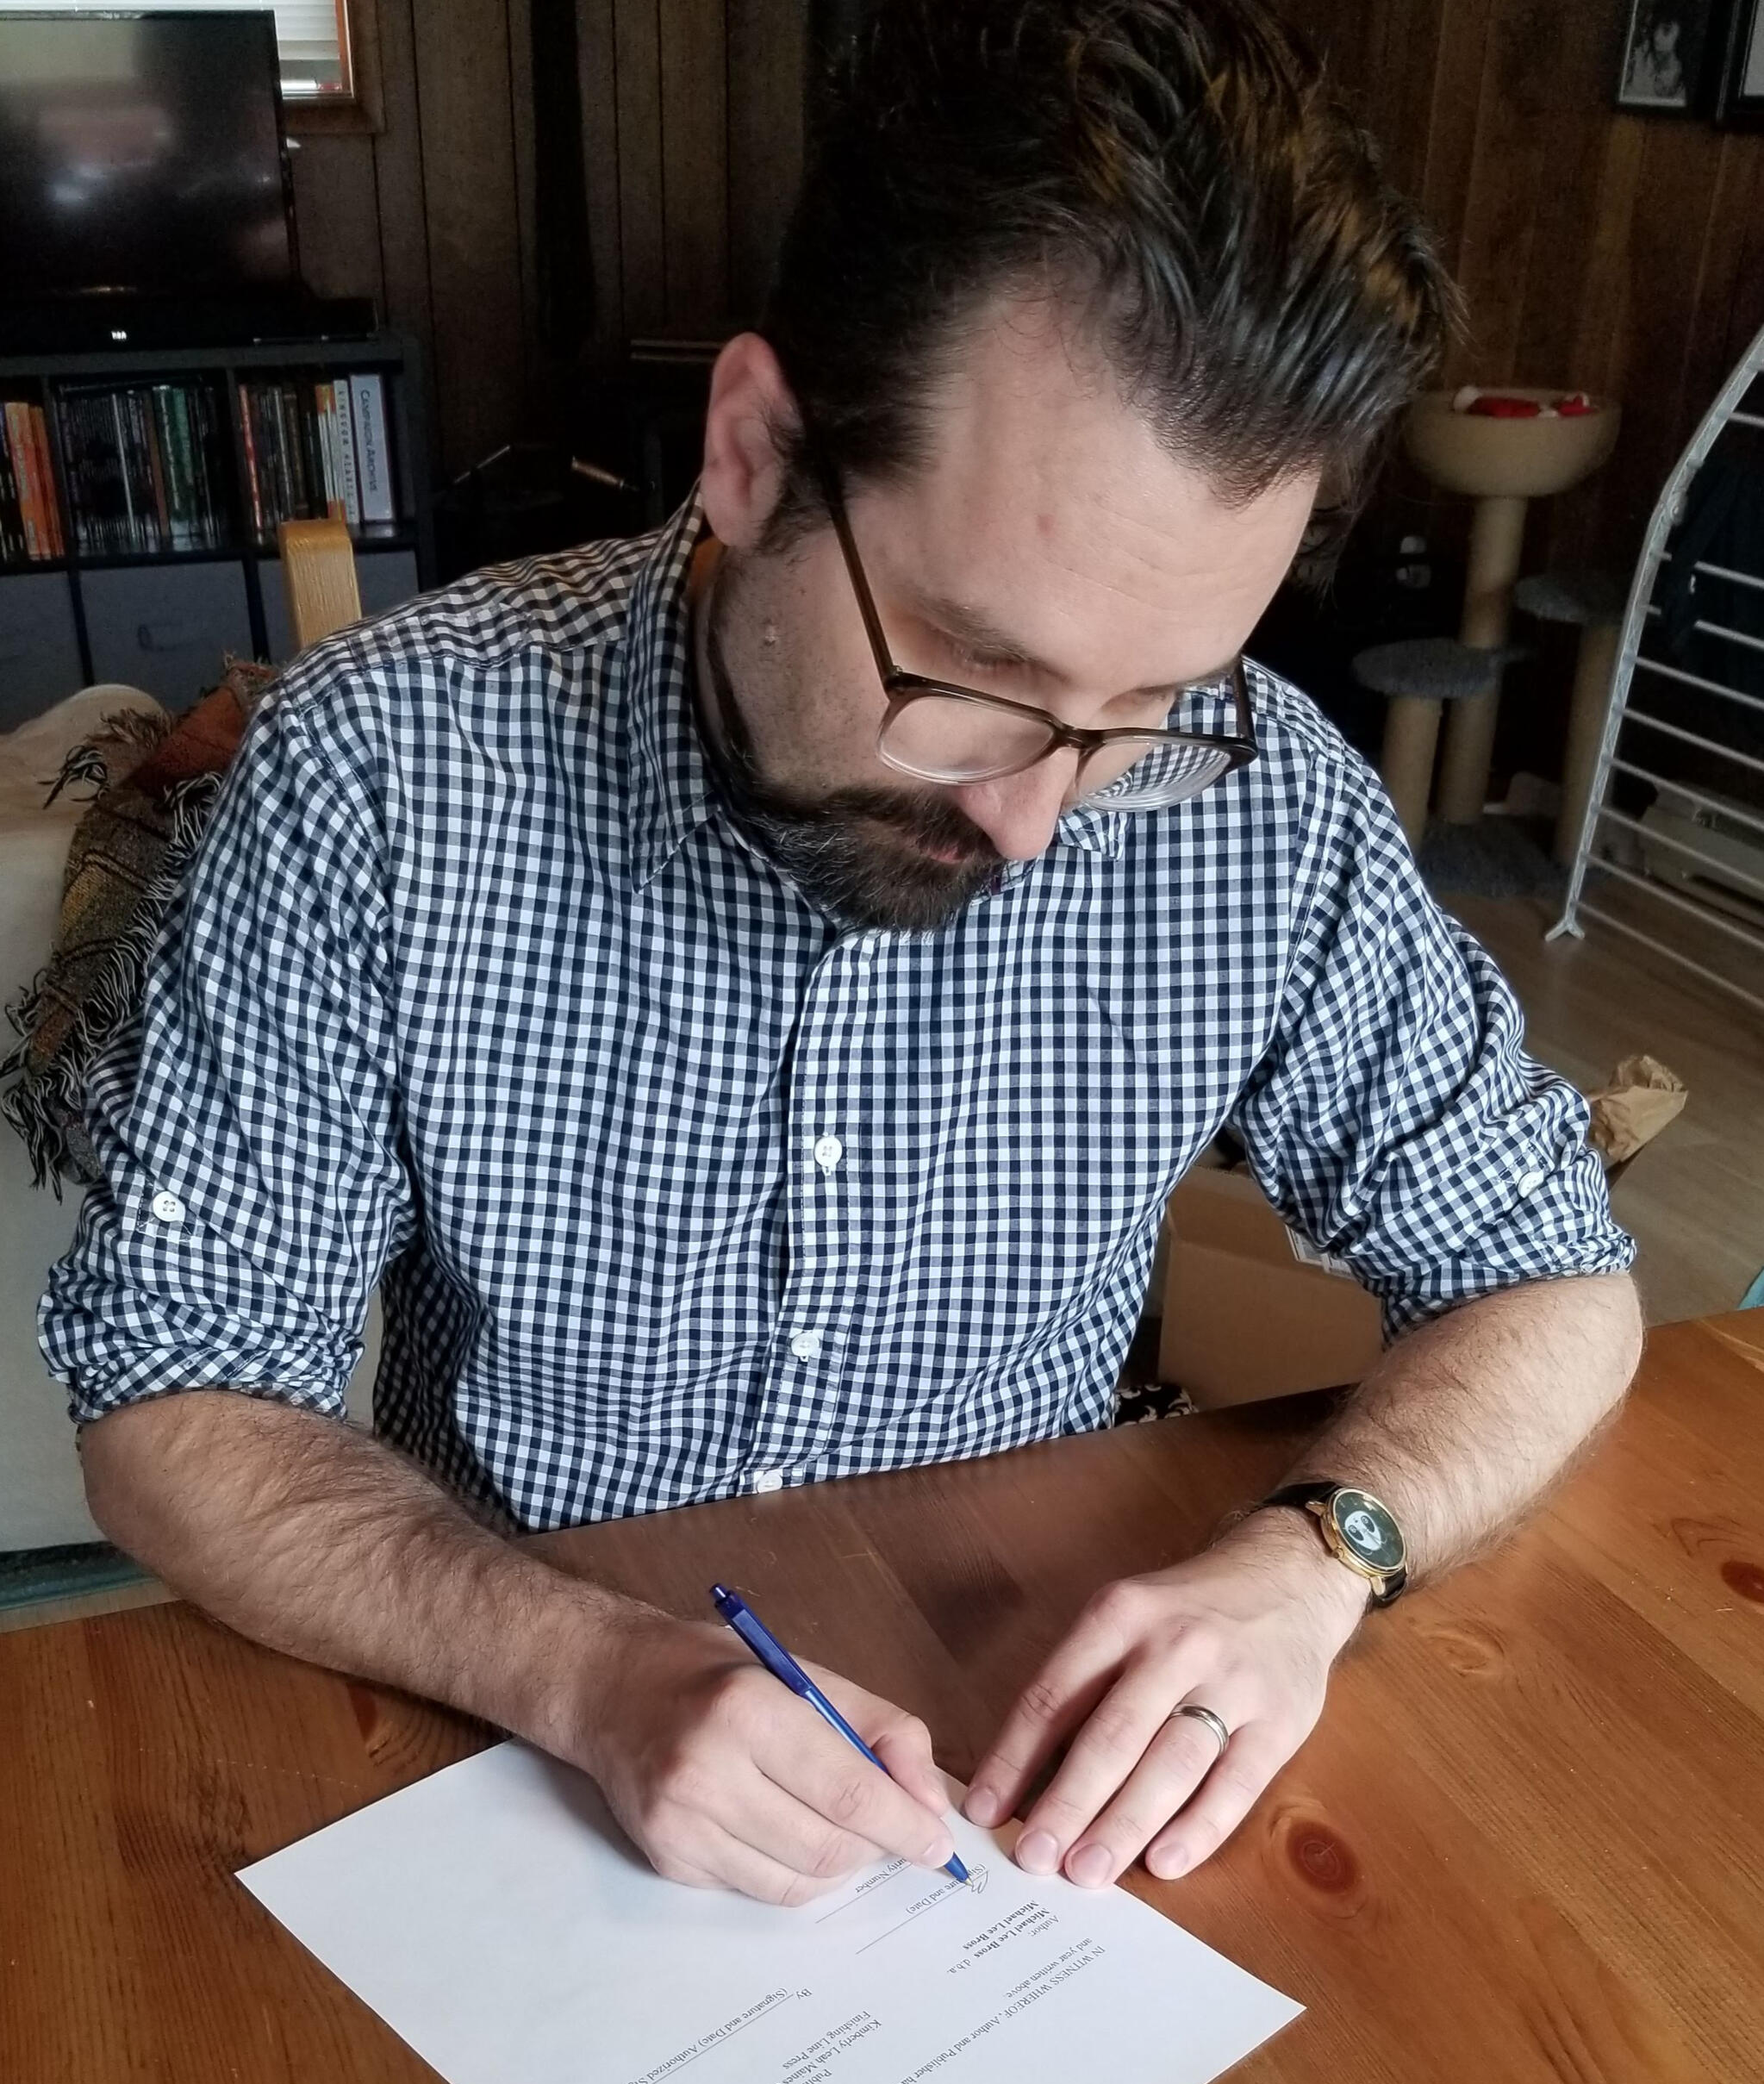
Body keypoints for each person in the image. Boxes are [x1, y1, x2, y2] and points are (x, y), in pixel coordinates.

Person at [42, 0, 1640, 1906]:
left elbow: (1553, 1272)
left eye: (1153, 698)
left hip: (1019, 1749)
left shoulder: (1255, 804)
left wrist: (1318, 1553)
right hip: (515, 1708)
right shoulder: (384, 769)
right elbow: (179, 1393)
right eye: (972, 678)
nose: (1041, 818)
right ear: (751, 452)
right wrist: (584, 1663)